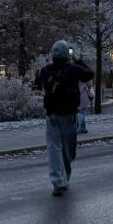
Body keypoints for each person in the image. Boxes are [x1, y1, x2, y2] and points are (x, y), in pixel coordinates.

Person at [34, 41, 93, 196]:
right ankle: (59, 181)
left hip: (52, 114)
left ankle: (60, 180)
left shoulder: (46, 70)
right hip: (68, 114)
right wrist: (78, 59)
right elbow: (89, 74)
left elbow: (36, 85)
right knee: (68, 150)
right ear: (67, 53)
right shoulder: (73, 69)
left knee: (54, 149)